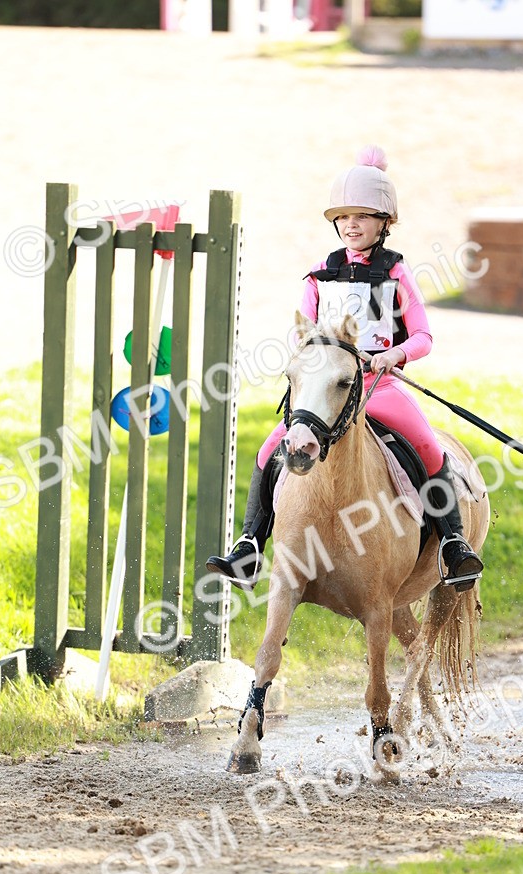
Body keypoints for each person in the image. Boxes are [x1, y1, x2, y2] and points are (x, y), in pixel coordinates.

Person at [206, 145, 484, 593]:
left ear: (385, 223)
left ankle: (452, 542)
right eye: (343, 217)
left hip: (380, 386)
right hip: (327, 388)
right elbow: (302, 330)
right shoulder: (320, 273)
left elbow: (423, 337)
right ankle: (250, 545)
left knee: (429, 447)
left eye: (362, 216)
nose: (350, 225)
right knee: (267, 451)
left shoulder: (396, 273)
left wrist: (394, 355)